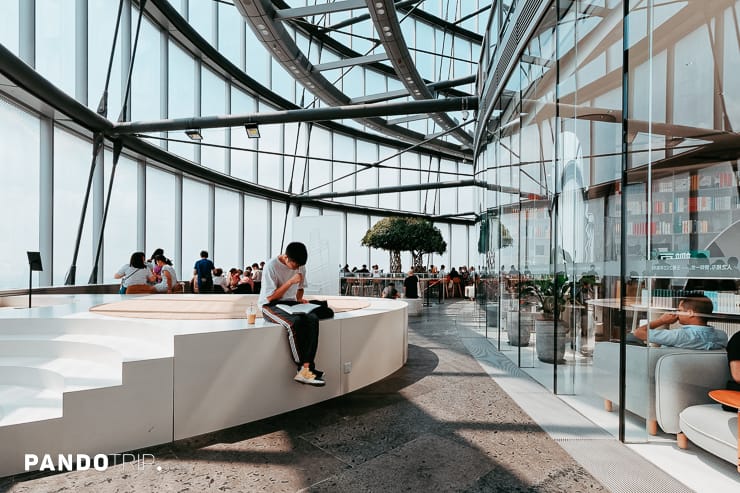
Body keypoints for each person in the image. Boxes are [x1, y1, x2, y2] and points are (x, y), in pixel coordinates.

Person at [259, 242, 325, 386]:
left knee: (313, 319)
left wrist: (300, 299)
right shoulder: (271, 266)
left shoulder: (301, 266)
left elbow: (300, 287)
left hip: (290, 303)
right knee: (295, 323)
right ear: (287, 258)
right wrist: (289, 282)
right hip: (270, 305)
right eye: (295, 265)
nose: (297, 268)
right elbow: (270, 297)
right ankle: (303, 370)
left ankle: (307, 368)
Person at [630, 296, 728, 350]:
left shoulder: (679, 335)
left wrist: (662, 320)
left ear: (690, 313)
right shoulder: (722, 336)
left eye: (680, 310)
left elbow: (638, 333)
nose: (677, 313)